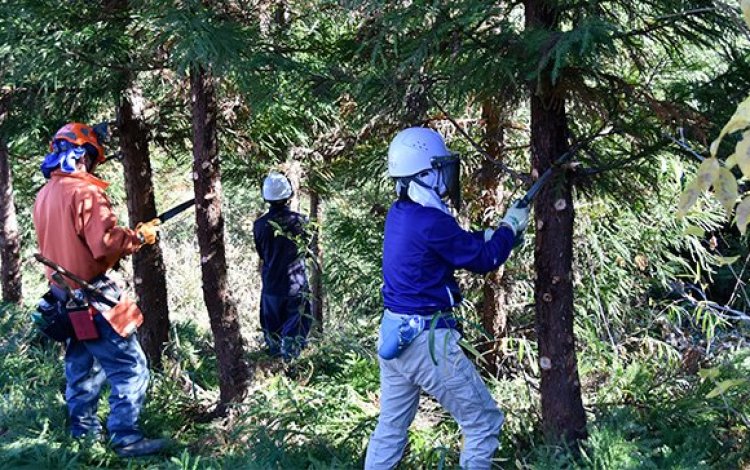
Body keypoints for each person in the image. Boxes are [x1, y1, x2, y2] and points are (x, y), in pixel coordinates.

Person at [364, 127, 530, 469]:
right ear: (424, 173)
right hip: (427, 342)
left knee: (391, 428)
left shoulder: (401, 214)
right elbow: (484, 259)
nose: (446, 176)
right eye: (441, 168)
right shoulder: (431, 221)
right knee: (483, 424)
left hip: (395, 335)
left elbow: (455, 244)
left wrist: (495, 236)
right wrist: (509, 228)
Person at [33, 122, 166, 458]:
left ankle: (84, 440)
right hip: (96, 296)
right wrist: (136, 238)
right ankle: (127, 439)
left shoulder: (45, 194)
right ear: (85, 155)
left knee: (81, 369)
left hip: (66, 299)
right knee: (130, 366)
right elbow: (104, 246)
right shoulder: (86, 193)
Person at [253, 172, 312, 360]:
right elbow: (306, 249)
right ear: (289, 195)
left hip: (271, 286)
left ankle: (275, 372)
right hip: (296, 286)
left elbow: (262, 254)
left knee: (273, 337)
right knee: (295, 338)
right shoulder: (302, 221)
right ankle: (291, 373)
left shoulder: (259, 225)